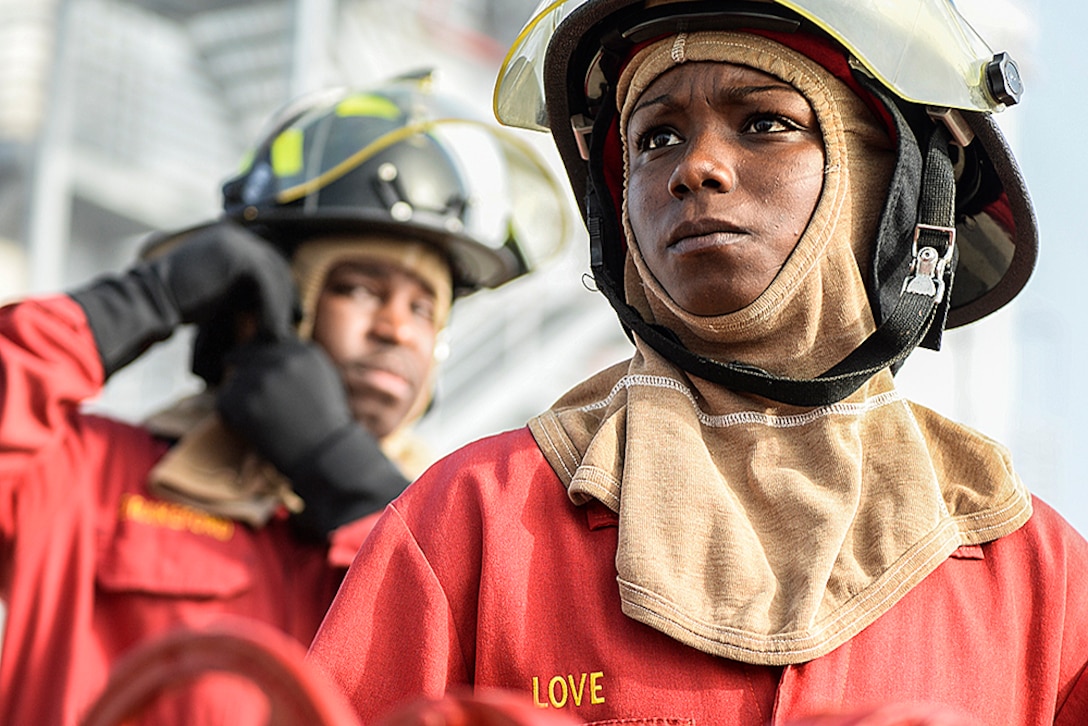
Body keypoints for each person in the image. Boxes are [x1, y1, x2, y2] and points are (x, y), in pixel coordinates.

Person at [307, 2, 1088, 725]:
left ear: (886, 189)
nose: (696, 168)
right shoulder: (473, 519)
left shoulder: (1040, 578)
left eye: (764, 123)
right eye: (656, 138)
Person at [0, 72, 570, 725]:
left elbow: (520, 685)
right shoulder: (94, 479)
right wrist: (142, 301)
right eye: (359, 288)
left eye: (423, 306)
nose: (397, 329)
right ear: (274, 306)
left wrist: (355, 488)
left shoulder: (471, 535)